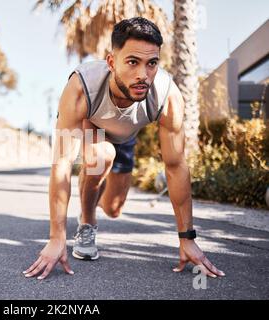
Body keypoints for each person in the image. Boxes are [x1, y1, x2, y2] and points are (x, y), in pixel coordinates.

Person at [23, 17, 225, 280]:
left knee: (114, 208)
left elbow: (175, 166)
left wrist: (187, 238)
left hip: (126, 137)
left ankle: (97, 195)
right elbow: (62, 163)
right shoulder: (81, 87)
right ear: (111, 62)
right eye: (132, 62)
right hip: (93, 126)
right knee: (100, 157)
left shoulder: (167, 95)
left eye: (151, 63)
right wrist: (56, 237)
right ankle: (87, 222)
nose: (143, 74)